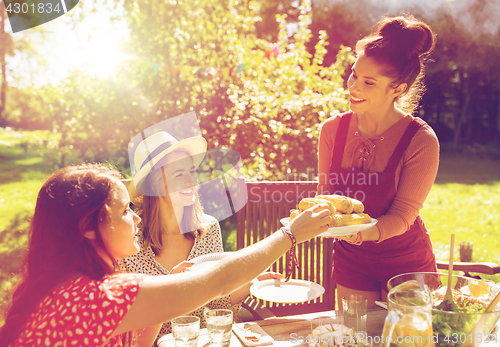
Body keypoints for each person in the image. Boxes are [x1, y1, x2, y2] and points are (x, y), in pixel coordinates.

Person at [0, 163, 331, 347]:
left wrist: (168, 294)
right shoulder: (96, 297)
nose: (136, 216)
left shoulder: (76, 285)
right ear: (88, 227)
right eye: (125, 210)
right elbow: (221, 279)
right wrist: (289, 235)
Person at [317, 14, 439, 306]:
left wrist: (363, 233)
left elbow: (404, 215)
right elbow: (326, 196)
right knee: (355, 334)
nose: (354, 87)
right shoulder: (332, 129)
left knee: (405, 335)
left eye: (368, 82)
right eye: (354, 74)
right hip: (351, 260)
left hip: (406, 261)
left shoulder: (420, 140)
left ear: (398, 88)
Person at [120, 131, 278, 341]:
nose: (191, 181)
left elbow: (217, 302)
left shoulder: (208, 228)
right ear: (155, 185)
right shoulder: (130, 237)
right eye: (178, 175)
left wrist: (250, 283)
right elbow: (127, 321)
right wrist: (168, 290)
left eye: (191, 171)